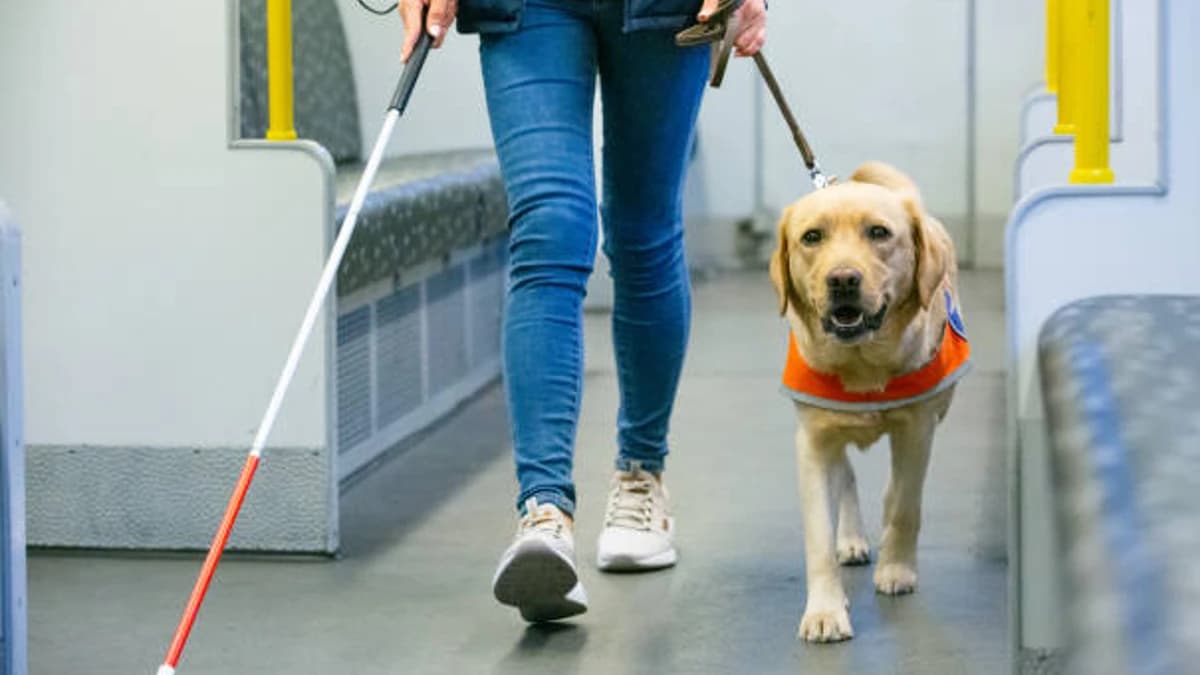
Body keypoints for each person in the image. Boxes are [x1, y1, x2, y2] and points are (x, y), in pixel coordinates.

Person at [398, 0, 767, 622]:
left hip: (662, 12)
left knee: (643, 233)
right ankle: (543, 511)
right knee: (549, 228)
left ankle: (641, 476)